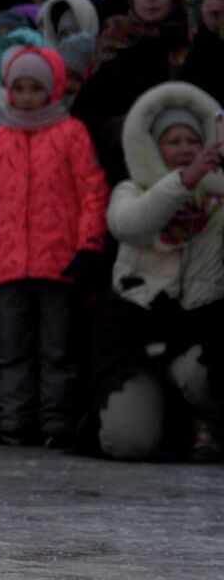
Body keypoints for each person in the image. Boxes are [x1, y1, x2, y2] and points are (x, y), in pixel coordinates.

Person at [0, 45, 109, 445]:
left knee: (56, 350)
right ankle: (14, 420)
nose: (28, 97)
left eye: (36, 88)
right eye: (21, 88)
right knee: (12, 350)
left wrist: (88, 246)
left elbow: (91, 194)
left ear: (53, 90)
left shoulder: (71, 134)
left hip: (58, 263)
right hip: (9, 265)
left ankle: (56, 422)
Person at [91, 81, 224, 459]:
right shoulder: (131, 190)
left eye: (192, 141)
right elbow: (129, 224)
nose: (184, 149)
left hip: (200, 329)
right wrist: (185, 182)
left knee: (206, 376)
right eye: (173, 141)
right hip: (138, 330)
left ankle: (209, 425)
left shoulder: (220, 199)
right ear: (155, 147)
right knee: (128, 442)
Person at [73, 0, 190, 185]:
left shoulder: (187, 46)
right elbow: (85, 112)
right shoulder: (114, 40)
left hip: (175, 172)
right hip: (115, 171)